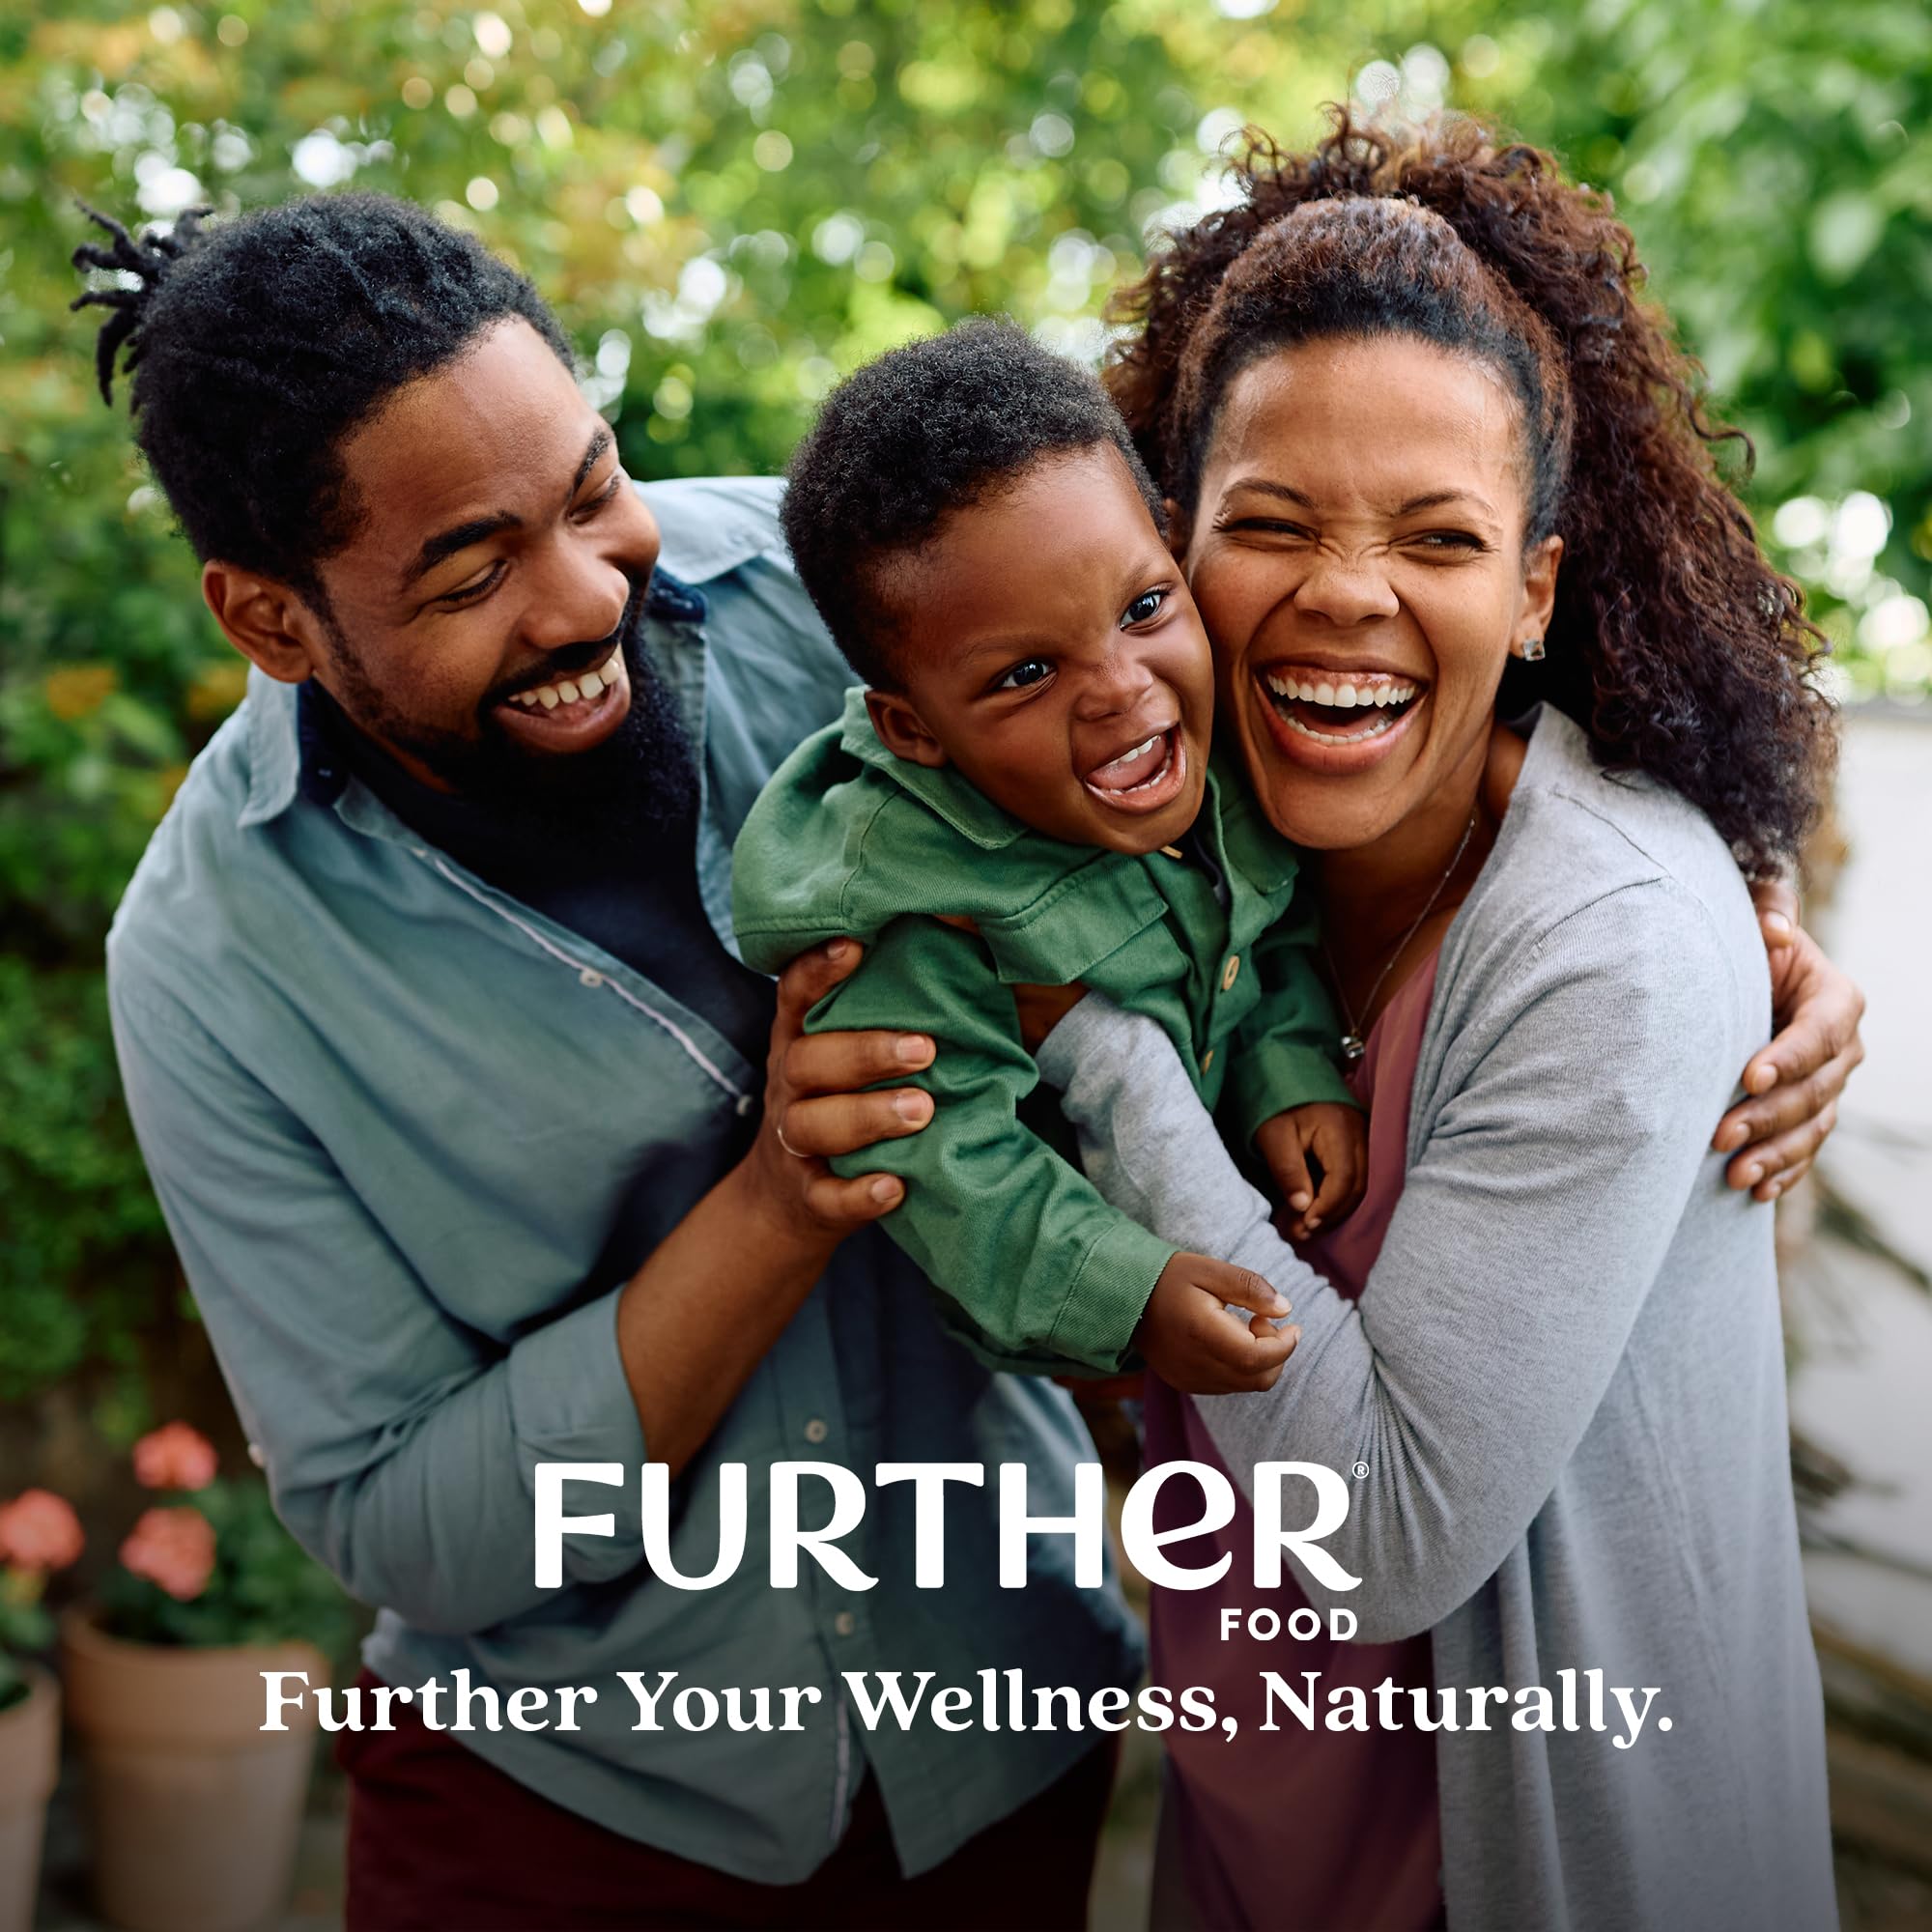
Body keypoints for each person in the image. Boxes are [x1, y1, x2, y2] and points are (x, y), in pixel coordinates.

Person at [78, 194, 1140, 1930]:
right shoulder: (211, 963)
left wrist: (1700, 937)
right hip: (569, 1815)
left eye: (591, 491)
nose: (587, 598)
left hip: (1001, 1730)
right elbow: (398, 1521)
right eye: (473, 571)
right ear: (271, 622)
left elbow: (1251, 736)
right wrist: (777, 1210)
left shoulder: (832, 597)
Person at [1027, 115, 1851, 1929]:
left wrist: (1096, 1049)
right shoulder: (1168, 854)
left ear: (1535, 586)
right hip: (1267, 1831)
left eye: (1438, 536)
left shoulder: (1604, 940)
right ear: (1167, 540)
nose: (1344, 593)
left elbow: (1385, 1535)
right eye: (1267, 522)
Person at [734, 320, 1364, 1395]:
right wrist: (1130, 1291)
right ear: (913, 729)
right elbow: (946, 1164)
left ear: (1172, 545)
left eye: (1142, 606)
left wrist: (1285, 1068)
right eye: (1027, 670)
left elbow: (1259, 923)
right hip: (1083, 1325)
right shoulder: (913, 911)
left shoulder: (1210, 741)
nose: (1121, 688)